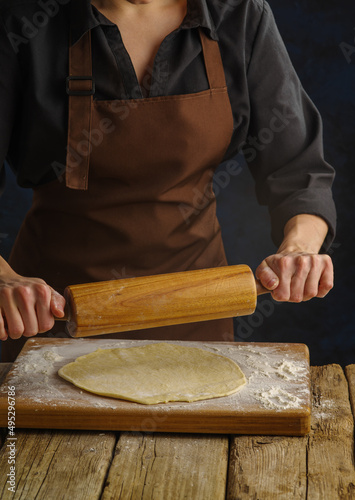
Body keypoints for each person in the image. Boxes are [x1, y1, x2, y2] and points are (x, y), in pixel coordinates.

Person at [0, 0, 336, 362]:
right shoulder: (22, 21)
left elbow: (299, 170)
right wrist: (4, 278)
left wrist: (298, 250)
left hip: (197, 317)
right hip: (47, 319)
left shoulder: (239, 18)